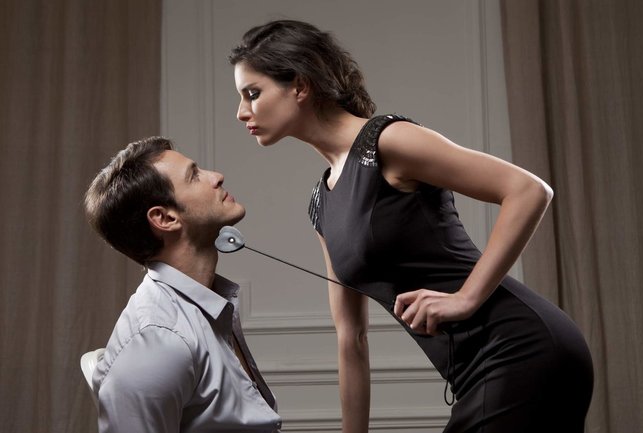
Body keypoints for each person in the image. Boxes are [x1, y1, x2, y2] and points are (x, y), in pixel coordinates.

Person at [229, 20, 593, 433]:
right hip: (474, 372)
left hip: (520, 347)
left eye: (252, 93)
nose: (241, 112)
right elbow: (352, 338)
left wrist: (466, 299)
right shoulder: (321, 202)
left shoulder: (387, 140)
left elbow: (528, 191)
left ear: (299, 85)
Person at [84, 137, 282, 433]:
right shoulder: (159, 340)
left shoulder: (205, 305)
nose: (217, 177)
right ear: (165, 218)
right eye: (194, 175)